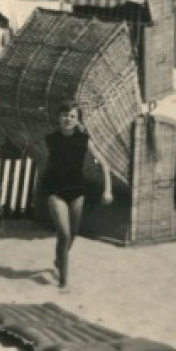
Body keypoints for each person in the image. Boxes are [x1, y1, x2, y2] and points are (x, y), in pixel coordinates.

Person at [41, 104, 112, 290]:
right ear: (58, 117)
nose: (68, 119)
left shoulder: (84, 140)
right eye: (65, 115)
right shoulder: (51, 139)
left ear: (77, 119)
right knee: (64, 234)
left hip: (77, 192)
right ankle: (64, 281)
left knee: (72, 235)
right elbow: (44, 164)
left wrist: (108, 190)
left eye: (72, 116)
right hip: (55, 191)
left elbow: (105, 164)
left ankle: (59, 259)